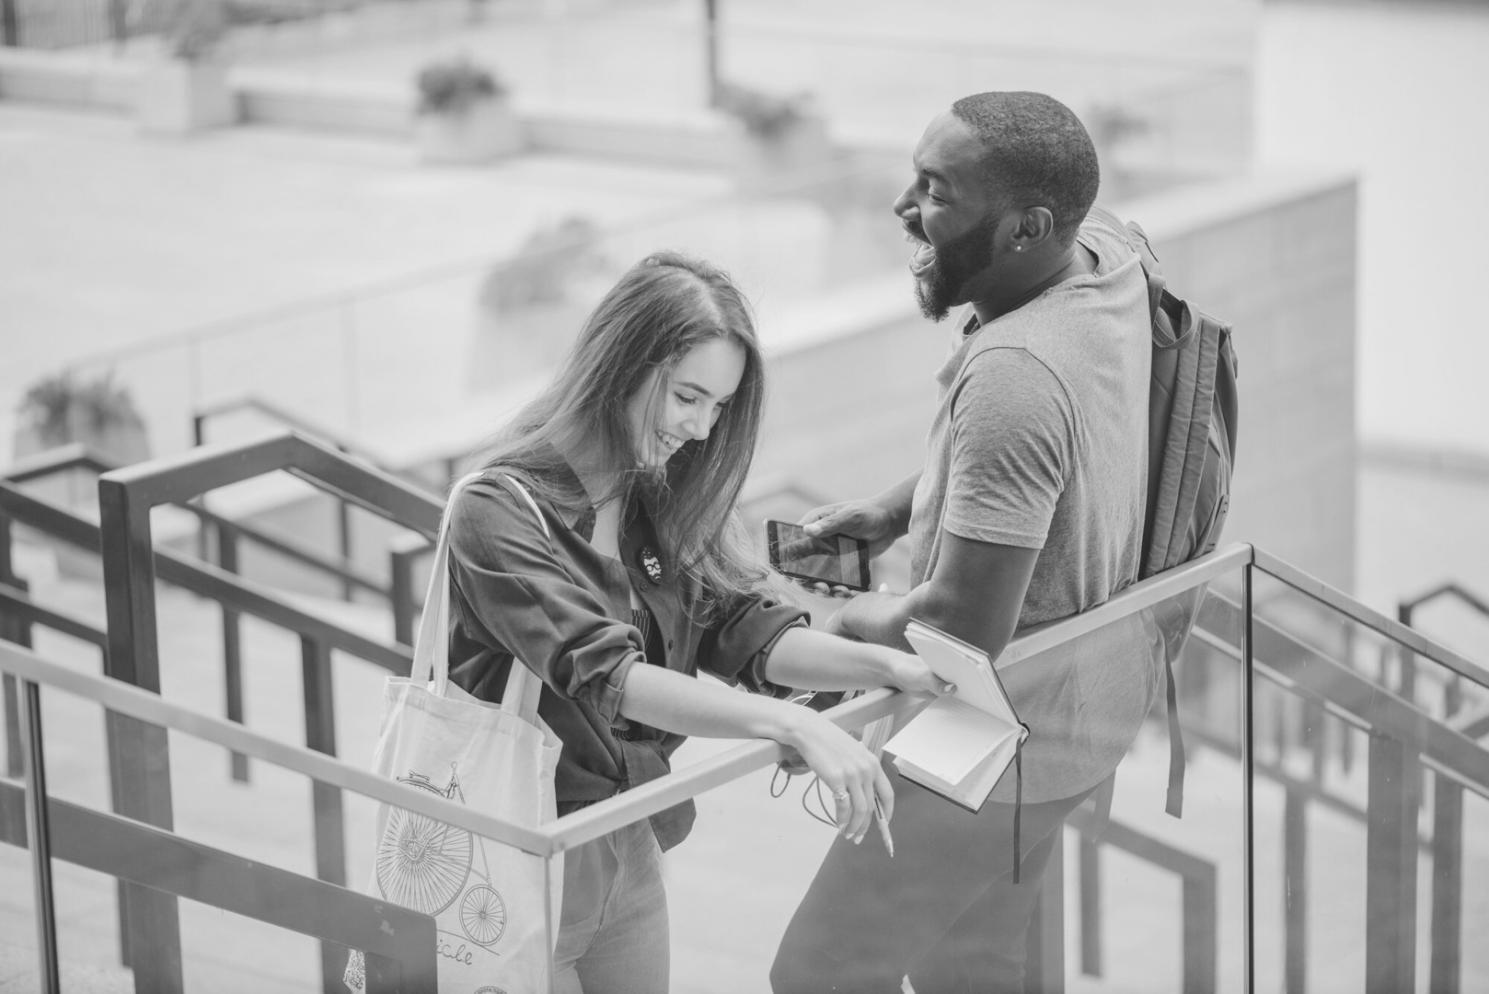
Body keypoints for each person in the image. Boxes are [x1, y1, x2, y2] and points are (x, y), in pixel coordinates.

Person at [444, 250, 948, 994]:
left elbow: (746, 631)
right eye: (687, 396)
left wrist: (886, 668)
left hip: (627, 839)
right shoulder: (494, 512)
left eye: (718, 407)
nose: (701, 428)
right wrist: (791, 725)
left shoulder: (657, 499)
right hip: (517, 850)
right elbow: (607, 676)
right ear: (620, 363)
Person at [770, 92, 1158, 993]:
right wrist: (898, 509)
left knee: (819, 972)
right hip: (1085, 713)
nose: (904, 207)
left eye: (936, 192)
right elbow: (1050, 451)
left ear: (1027, 226)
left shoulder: (1013, 378)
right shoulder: (1110, 260)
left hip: (996, 735)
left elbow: (957, 632)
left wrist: (829, 620)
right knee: (977, 968)